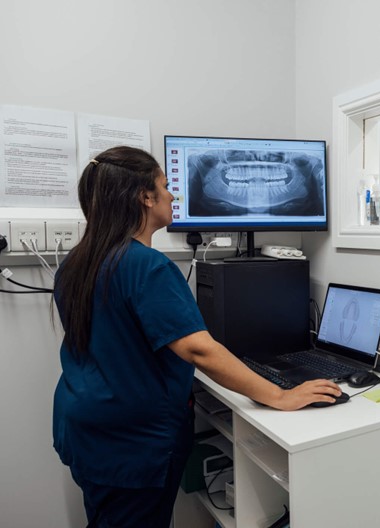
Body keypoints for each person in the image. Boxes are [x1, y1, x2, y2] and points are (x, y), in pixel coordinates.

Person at [52, 146, 342, 528]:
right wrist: (280, 395)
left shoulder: (76, 263)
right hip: (132, 441)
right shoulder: (146, 266)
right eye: (165, 186)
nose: (173, 195)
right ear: (145, 197)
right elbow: (199, 350)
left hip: (86, 427)